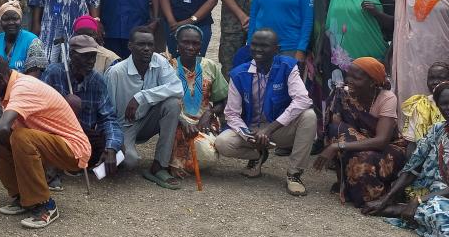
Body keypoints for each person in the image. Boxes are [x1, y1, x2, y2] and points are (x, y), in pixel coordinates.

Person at [0, 55, 91, 229]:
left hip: (72, 150)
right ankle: (23, 196)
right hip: (45, 141)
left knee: (21, 137)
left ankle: (44, 204)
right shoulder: (9, 87)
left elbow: (4, 127)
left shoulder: (23, 87)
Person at [364, 81, 449, 237]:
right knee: (443, 221)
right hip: (436, 195)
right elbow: (413, 167)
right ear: (438, 107)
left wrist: (418, 201)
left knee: (446, 231)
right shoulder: (437, 130)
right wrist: (386, 199)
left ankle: (400, 211)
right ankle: (437, 215)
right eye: (444, 104)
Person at [214, 29, 317, 196]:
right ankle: (258, 154)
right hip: (252, 129)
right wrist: (248, 135)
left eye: (264, 46)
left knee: (309, 116)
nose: (258, 49)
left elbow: (303, 100)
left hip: (278, 129)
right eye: (254, 45)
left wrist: (269, 130)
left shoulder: (287, 66)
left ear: (276, 49)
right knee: (222, 143)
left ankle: (294, 174)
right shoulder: (239, 73)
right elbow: (232, 114)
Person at [313, 58, 408, 207]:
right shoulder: (343, 94)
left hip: (388, 147)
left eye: (356, 78)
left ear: (372, 82)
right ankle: (342, 182)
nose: (349, 80)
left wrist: (337, 147)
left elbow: (381, 141)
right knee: (334, 130)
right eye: (348, 75)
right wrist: (336, 144)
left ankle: (384, 195)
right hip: (358, 142)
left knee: (364, 160)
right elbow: (335, 129)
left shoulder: (387, 98)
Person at [105, 25, 183, 188]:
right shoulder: (116, 72)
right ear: (130, 46)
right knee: (129, 162)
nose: (147, 49)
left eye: (150, 45)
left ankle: (159, 166)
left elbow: (177, 88)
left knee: (173, 104)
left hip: (148, 120)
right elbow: (108, 113)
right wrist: (114, 143)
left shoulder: (159, 61)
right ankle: (108, 160)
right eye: (141, 44)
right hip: (123, 127)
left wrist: (141, 96)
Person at [41, 35, 122, 173]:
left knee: (119, 150)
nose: (91, 61)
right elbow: (41, 111)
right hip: (57, 134)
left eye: (93, 56)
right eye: (86, 56)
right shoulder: (53, 73)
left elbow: (108, 117)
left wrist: (111, 147)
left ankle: (88, 167)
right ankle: (55, 164)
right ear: (72, 55)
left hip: (85, 137)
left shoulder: (97, 80)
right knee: (73, 101)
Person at [164, 25, 229, 177]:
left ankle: (182, 160)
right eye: (185, 42)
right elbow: (162, 103)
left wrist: (210, 113)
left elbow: (222, 99)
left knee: (208, 155)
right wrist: (181, 121)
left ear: (201, 45)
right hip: (175, 120)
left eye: (195, 43)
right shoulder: (168, 67)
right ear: (177, 45)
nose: (190, 47)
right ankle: (172, 161)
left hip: (203, 122)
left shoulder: (210, 66)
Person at [0, 0, 45, 70]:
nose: (11, 22)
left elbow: (34, 76)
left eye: (15, 19)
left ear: (21, 20)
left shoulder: (33, 42)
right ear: (0, 22)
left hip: (25, 80)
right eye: (6, 19)